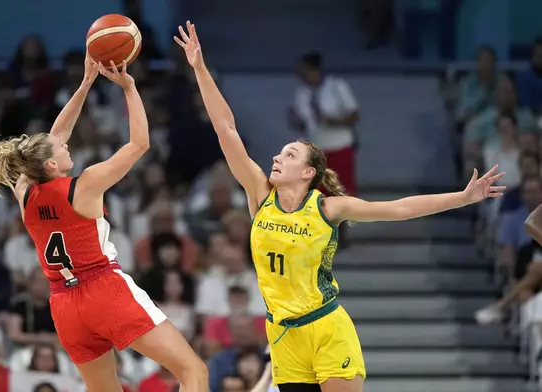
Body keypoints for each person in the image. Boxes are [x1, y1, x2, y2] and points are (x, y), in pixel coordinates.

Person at [174, 21, 506, 392]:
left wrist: (462, 197)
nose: (277, 157)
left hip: (325, 328)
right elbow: (226, 129)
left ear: (308, 172)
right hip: (282, 334)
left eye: (290, 154)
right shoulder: (259, 195)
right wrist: (200, 69)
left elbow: (398, 209)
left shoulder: (327, 208)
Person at [0, 55, 207, 392]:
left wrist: (84, 85)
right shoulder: (85, 184)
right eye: (61, 148)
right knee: (193, 371)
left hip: (64, 306)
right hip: (103, 290)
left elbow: (53, 136)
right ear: (51, 163)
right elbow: (140, 144)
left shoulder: (25, 192)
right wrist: (130, 87)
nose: (66, 145)